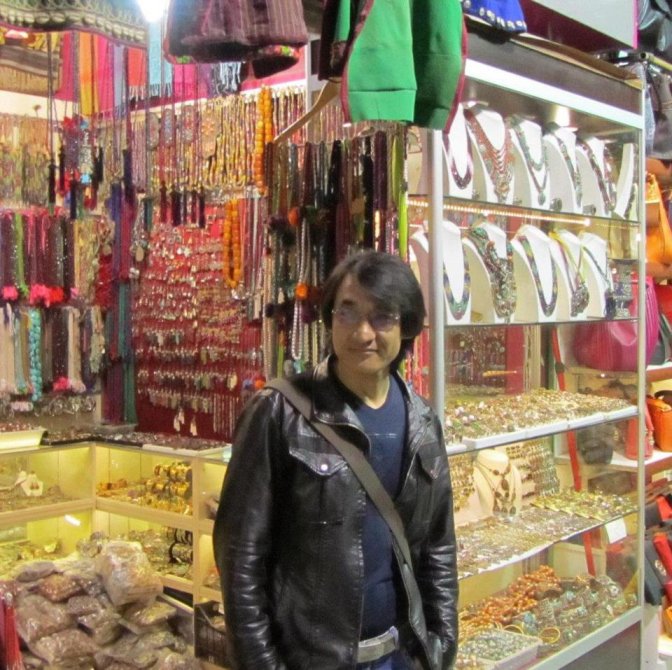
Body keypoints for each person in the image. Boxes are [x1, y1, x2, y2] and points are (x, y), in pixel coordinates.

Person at [213, 250, 458, 670]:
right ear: (329, 319)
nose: (362, 332)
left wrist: (442, 643)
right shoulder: (280, 413)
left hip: (402, 656)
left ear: (407, 326)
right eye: (348, 312)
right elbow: (240, 560)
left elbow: (438, 545)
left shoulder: (422, 422)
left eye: (382, 317)